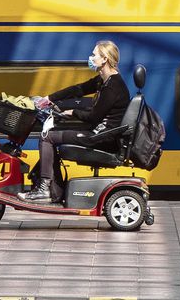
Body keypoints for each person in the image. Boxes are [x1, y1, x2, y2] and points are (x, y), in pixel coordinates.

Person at [19, 40, 130, 205]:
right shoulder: (103, 80)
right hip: (98, 133)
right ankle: (53, 191)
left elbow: (93, 117)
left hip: (101, 137)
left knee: (47, 137)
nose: (91, 58)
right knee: (52, 135)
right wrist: (49, 99)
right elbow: (78, 89)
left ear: (105, 59)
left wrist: (72, 112)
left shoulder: (113, 86)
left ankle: (44, 190)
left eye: (94, 54)